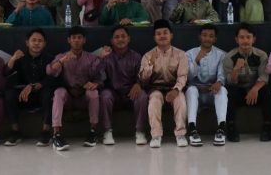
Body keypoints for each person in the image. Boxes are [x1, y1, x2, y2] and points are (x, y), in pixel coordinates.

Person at [47, 26, 102, 150]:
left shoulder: (91, 58)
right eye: (73, 38)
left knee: (93, 93)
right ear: (69, 40)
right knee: (58, 92)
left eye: (79, 37)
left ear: (84, 40)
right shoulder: (62, 56)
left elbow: (100, 78)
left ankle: (93, 132)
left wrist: (96, 84)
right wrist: (61, 61)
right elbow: (50, 71)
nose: (76, 40)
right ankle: (56, 134)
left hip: (83, 97)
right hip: (68, 97)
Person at [139, 20, 189, 148]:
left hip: (174, 87)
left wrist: (176, 90)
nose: (162, 36)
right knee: (154, 101)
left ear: (171, 35)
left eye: (165, 33)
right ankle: (156, 136)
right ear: (154, 37)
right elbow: (143, 79)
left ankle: (180, 134)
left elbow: (182, 76)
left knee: (180, 100)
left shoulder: (181, 54)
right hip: (155, 88)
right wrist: (150, 63)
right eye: (158, 34)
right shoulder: (148, 55)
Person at [97, 26, 148, 146]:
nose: (120, 39)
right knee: (105, 95)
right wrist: (100, 58)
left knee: (142, 96)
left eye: (123, 36)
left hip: (131, 92)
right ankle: (107, 131)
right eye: (117, 37)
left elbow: (142, 76)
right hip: (113, 92)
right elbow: (100, 77)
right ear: (111, 41)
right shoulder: (106, 57)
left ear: (129, 38)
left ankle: (140, 131)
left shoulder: (136, 57)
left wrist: (138, 84)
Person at [3, 28, 55, 147]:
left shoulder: (49, 58)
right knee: (9, 94)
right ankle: (15, 132)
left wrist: (37, 85)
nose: (36, 43)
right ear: (27, 42)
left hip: (41, 93)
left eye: (40, 41)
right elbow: (6, 73)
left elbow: (53, 78)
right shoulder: (21, 57)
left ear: (45, 43)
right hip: (23, 94)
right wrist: (13, 59)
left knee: (48, 93)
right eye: (33, 40)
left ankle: (46, 132)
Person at [222, 23, 271, 142]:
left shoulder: (261, 55)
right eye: (242, 37)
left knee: (267, 91)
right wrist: (236, 69)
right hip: (239, 90)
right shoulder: (229, 56)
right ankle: (231, 127)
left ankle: (267, 127)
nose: (245, 41)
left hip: (256, 91)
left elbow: (264, 76)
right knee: (229, 92)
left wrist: (255, 89)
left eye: (248, 37)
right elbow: (231, 81)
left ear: (253, 39)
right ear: (236, 39)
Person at [184, 24, 228, 146]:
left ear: (215, 39)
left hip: (212, 93)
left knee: (222, 90)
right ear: (199, 37)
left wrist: (218, 83)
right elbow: (188, 77)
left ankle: (221, 129)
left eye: (211, 36)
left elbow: (221, 75)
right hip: (196, 94)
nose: (207, 38)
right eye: (204, 35)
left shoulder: (221, 54)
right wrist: (196, 61)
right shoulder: (189, 54)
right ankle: (192, 128)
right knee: (191, 90)